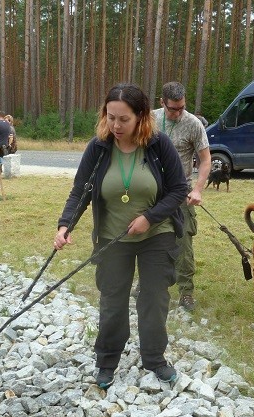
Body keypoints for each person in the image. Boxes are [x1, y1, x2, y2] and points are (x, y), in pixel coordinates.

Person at [54, 83, 188, 389]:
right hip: (113, 239)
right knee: (112, 302)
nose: (116, 125)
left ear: (141, 116)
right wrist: (65, 226)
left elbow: (179, 189)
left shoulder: (158, 144)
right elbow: (80, 191)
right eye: (110, 117)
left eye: (123, 119)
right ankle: (107, 360)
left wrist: (150, 218)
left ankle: (154, 358)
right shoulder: (98, 148)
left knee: (154, 299)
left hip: (158, 235)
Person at [152, 81, 211, 312]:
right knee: (149, 241)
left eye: (181, 107)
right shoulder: (150, 119)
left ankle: (186, 292)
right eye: (172, 109)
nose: (177, 113)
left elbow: (205, 160)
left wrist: (197, 189)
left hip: (181, 194)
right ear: (162, 102)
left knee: (183, 244)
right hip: (152, 193)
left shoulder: (193, 124)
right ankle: (150, 283)